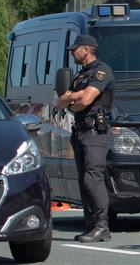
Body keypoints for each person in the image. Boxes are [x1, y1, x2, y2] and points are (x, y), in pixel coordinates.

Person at [56, 35, 115, 243]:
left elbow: (86, 100)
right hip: (80, 131)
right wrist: (73, 97)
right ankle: (91, 224)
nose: (73, 52)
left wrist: (72, 98)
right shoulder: (81, 75)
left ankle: (102, 226)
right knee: (83, 179)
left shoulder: (102, 70)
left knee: (92, 177)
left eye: (75, 49)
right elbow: (61, 101)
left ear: (87, 50)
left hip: (95, 132)